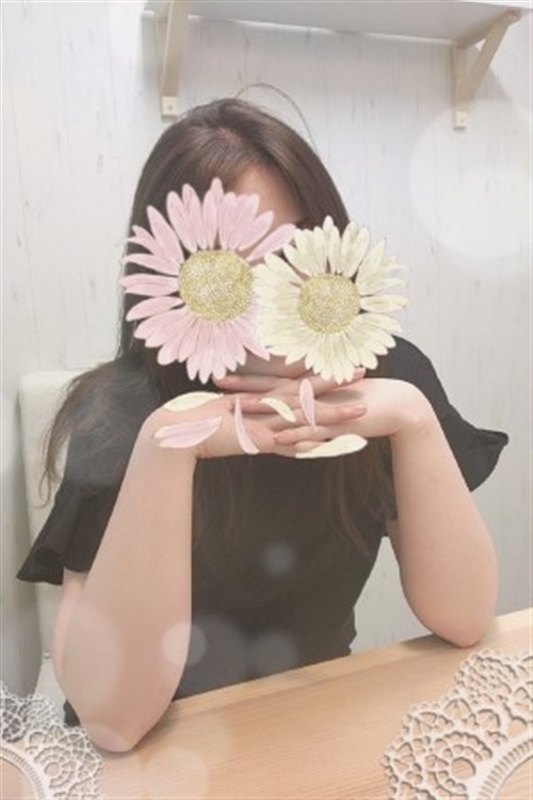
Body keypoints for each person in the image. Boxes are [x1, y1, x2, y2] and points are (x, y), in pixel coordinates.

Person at [18, 98, 507, 753]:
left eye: (296, 249)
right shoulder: (121, 413)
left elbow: (465, 618)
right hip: (162, 749)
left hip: (307, 723)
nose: (279, 290)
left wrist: (411, 417)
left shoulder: (389, 376)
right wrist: (169, 448)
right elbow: (111, 720)